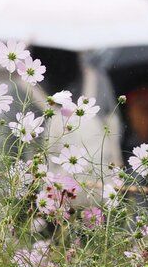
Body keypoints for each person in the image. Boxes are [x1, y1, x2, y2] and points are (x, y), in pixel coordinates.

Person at [31, 45, 122, 177]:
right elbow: (115, 131)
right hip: (99, 185)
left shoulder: (22, 90)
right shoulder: (98, 80)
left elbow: (16, 154)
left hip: (51, 189)